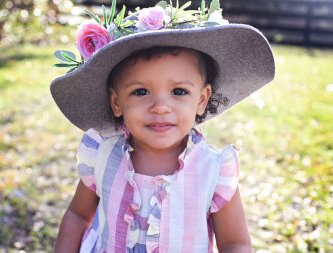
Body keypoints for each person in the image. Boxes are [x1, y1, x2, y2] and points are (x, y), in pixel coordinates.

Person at [50, 0, 275, 252]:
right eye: (140, 91)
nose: (160, 106)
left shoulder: (213, 170)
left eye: (179, 91)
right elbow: (78, 216)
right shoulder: (101, 157)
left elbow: (234, 243)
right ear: (116, 102)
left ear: (201, 100)